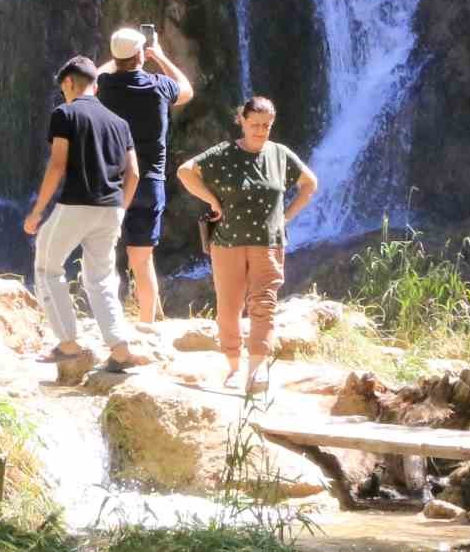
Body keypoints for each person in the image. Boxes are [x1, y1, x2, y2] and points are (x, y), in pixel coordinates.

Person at [176, 96, 317, 394]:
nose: (261, 131)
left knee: (264, 304)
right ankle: (233, 366)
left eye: (266, 125)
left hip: (268, 242)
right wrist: (212, 200)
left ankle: (257, 369)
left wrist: (286, 217)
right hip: (227, 241)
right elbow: (185, 172)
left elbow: (309, 184)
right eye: (255, 125)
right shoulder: (223, 153)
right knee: (228, 308)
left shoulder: (280, 154)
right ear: (241, 120)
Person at [23, 55, 150, 373]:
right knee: (102, 278)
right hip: (110, 209)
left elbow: (57, 165)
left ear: (68, 83)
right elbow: (133, 172)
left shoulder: (64, 113)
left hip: (76, 205)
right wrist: (121, 208)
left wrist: (37, 211)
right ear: (95, 83)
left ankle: (68, 345)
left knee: (47, 269)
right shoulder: (120, 123)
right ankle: (120, 351)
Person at [96, 26, 193, 324]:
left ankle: (108, 323)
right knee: (142, 261)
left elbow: (90, 80)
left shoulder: (106, 86)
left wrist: (117, 59)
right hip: (150, 183)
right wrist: (160, 57)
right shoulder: (159, 86)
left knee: (103, 258)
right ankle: (147, 325)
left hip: (112, 183)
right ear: (141, 54)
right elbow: (187, 90)